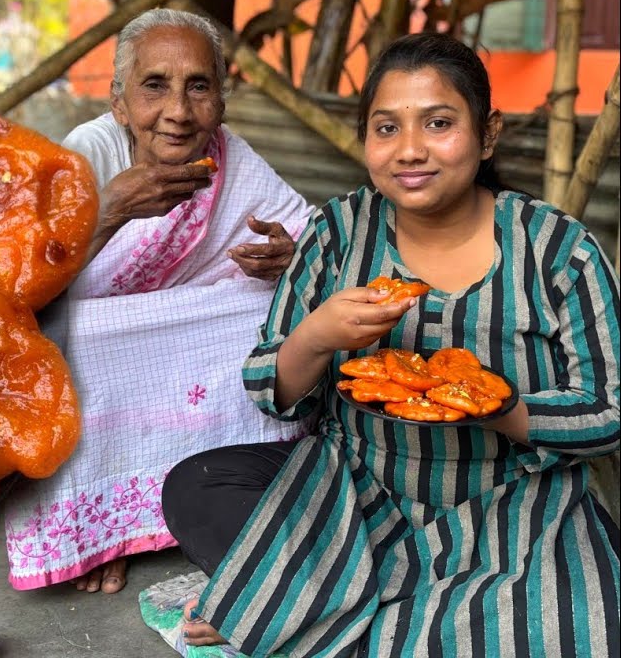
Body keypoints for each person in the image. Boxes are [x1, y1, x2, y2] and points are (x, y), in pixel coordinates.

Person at [161, 32, 619, 655]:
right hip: (357, 491)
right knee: (198, 485)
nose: (410, 150)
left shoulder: (557, 249)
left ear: (487, 134)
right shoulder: (337, 231)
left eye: (438, 123)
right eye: (386, 128)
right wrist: (315, 335)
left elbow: (610, 412)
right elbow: (273, 391)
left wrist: (503, 411)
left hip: (510, 499)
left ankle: (299, 604)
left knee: (590, 620)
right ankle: (426, 608)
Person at [3, 9, 313, 596]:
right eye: (154, 86)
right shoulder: (87, 152)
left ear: (221, 102)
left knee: (275, 310)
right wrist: (112, 208)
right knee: (63, 341)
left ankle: (225, 490)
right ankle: (97, 529)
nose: (178, 111)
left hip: (183, 333)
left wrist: (290, 255)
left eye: (199, 86)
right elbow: (22, 288)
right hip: (100, 338)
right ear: (119, 103)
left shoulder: (231, 156)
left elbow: (311, 239)